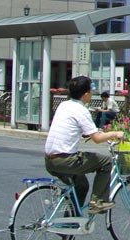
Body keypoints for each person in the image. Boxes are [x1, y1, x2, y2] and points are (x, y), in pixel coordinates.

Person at [44, 76, 125, 214]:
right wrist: (115, 133)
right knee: (106, 162)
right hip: (66, 160)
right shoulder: (82, 110)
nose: (92, 93)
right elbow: (97, 139)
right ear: (86, 94)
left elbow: (72, 127)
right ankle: (97, 202)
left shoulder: (64, 105)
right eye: (91, 91)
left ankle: (69, 224)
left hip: (50, 160)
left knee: (81, 185)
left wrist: (88, 133)